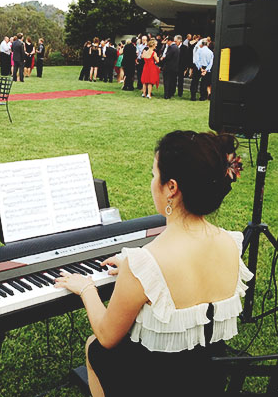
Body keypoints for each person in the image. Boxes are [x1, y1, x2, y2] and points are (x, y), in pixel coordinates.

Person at [55, 130, 251, 397]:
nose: (151, 183)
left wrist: (87, 288)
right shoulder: (232, 243)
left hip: (156, 384)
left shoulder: (144, 262)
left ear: (171, 187)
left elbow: (107, 335)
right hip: (208, 377)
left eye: (153, 175)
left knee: (94, 347)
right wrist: (137, 272)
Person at [160, 35, 180, 99]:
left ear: (170, 41)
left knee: (167, 81)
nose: (167, 43)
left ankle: (166, 94)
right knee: (172, 81)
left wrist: (163, 59)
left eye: (167, 41)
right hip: (175, 67)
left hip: (168, 67)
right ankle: (171, 93)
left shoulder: (171, 47)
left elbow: (168, 57)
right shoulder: (177, 48)